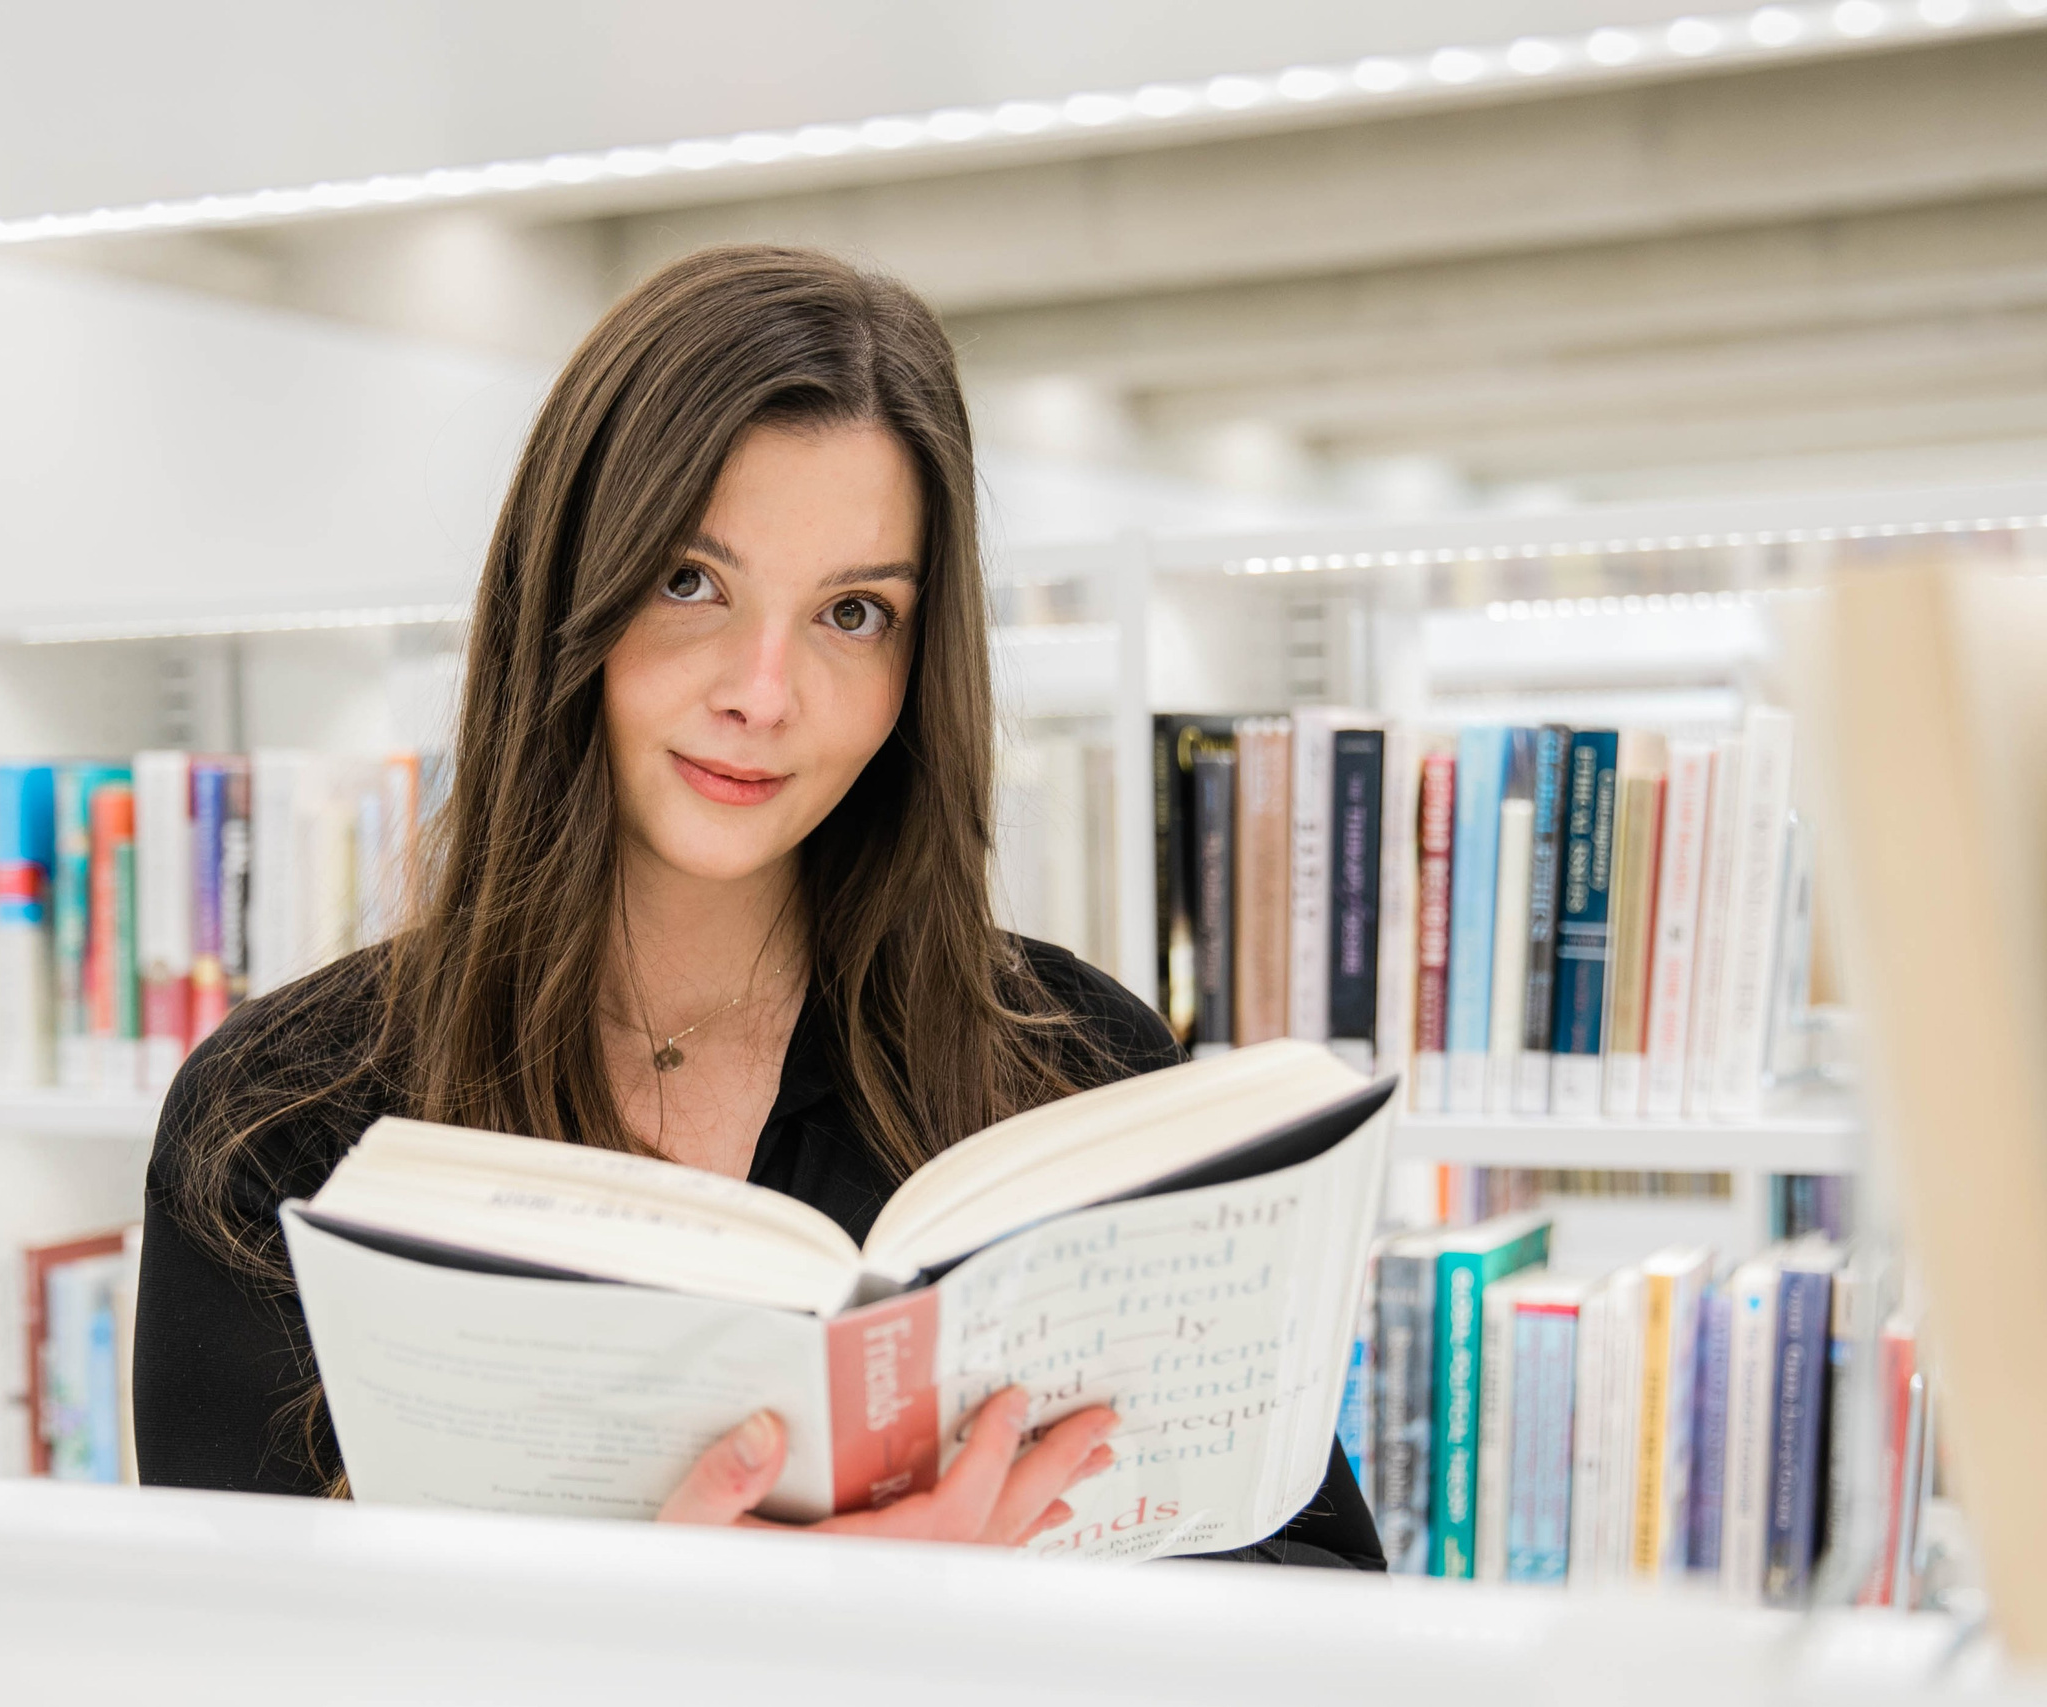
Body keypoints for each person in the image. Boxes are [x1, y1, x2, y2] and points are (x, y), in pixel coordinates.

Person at [133, 244, 1383, 1568]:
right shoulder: (281, 1125)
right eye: (690, 582)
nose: (765, 692)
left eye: (853, 612)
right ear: (566, 593)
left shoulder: (1066, 1072)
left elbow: (1322, 1599)